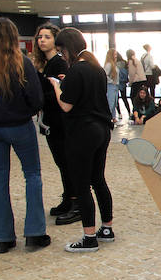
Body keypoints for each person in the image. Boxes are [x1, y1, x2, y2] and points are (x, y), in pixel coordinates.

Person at [0, 17, 50, 254]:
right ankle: (35, 232)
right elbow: (36, 98)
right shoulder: (21, 63)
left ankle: (3, 237)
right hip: (19, 125)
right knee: (32, 174)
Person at [49, 27, 114, 252]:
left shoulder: (76, 70)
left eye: (62, 51)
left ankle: (89, 237)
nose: (62, 56)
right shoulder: (96, 68)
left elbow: (66, 105)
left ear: (68, 48)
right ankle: (107, 228)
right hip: (102, 130)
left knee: (82, 184)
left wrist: (56, 86)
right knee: (98, 180)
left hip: (83, 132)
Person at [32, 22, 79, 225]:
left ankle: (76, 201)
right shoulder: (45, 64)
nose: (42, 40)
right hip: (50, 120)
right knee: (61, 162)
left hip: (61, 121)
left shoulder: (59, 63)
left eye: (47, 37)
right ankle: (68, 198)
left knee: (67, 162)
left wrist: (40, 98)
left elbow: (62, 93)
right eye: (40, 37)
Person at [103, 49, 120, 125]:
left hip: (115, 86)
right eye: (115, 54)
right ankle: (108, 119)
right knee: (110, 102)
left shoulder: (113, 64)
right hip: (111, 86)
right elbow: (105, 75)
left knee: (114, 103)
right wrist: (111, 81)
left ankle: (113, 118)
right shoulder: (109, 65)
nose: (116, 56)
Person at [116, 51, 130, 119]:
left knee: (116, 100)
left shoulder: (114, 64)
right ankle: (129, 112)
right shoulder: (125, 62)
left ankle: (119, 114)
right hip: (123, 83)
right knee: (124, 98)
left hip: (116, 83)